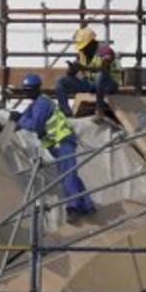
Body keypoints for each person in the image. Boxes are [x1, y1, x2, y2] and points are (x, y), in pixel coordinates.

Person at [16, 74, 97, 218]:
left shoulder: (42, 103)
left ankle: (74, 208)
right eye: (25, 90)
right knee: (70, 173)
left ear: (37, 89)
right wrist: (9, 122)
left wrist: (19, 119)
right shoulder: (35, 105)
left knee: (68, 175)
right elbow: (22, 119)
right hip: (57, 144)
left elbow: (34, 124)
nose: (27, 92)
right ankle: (87, 204)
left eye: (29, 89)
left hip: (62, 141)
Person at [55, 26, 120, 116]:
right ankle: (66, 112)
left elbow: (104, 69)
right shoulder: (82, 53)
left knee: (100, 76)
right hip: (90, 84)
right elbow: (71, 74)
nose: (83, 50)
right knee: (61, 82)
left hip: (108, 85)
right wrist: (72, 69)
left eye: (84, 47)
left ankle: (99, 110)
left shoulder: (105, 51)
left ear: (91, 43)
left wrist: (84, 68)